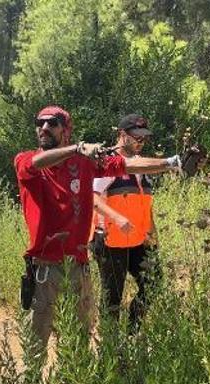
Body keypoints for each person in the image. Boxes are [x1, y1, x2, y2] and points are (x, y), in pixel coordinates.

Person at [14, 105, 185, 363]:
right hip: (45, 267)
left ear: (66, 129)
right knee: (36, 344)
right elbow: (37, 163)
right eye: (40, 123)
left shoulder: (84, 163)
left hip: (78, 266)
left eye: (53, 123)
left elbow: (128, 164)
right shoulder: (26, 160)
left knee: (78, 344)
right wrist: (77, 148)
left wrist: (171, 163)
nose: (44, 128)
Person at [91, 114, 164, 331]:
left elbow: (144, 203)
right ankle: (111, 350)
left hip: (138, 239)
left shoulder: (141, 166)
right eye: (136, 137)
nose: (141, 142)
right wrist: (116, 217)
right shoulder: (107, 162)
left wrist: (153, 232)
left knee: (154, 282)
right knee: (112, 299)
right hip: (110, 240)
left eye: (144, 138)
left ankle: (132, 331)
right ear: (122, 135)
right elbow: (91, 197)